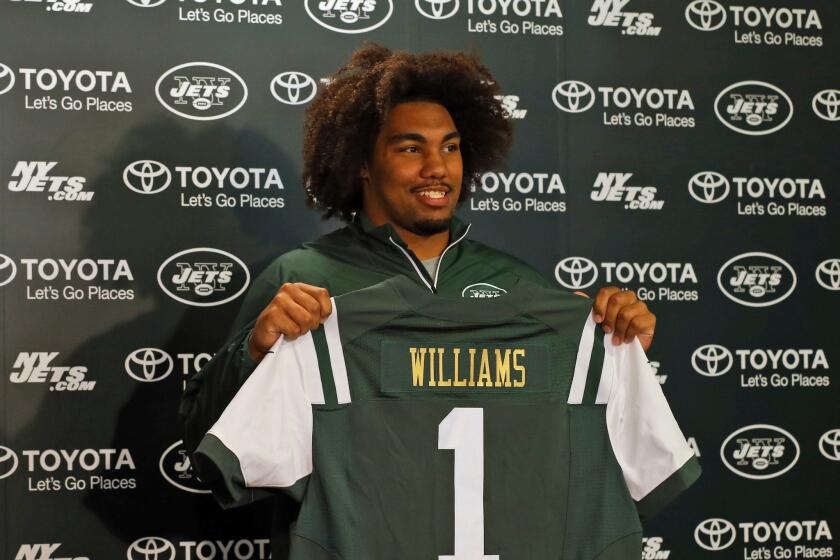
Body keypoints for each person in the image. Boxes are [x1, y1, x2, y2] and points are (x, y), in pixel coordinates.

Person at [180, 42, 657, 557]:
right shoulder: (301, 279)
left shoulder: (522, 287)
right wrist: (253, 352)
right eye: (411, 148)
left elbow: (589, 462)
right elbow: (207, 444)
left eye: (450, 148)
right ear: (361, 162)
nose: (437, 168)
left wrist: (617, 345)